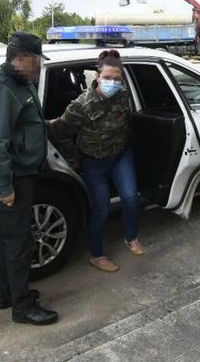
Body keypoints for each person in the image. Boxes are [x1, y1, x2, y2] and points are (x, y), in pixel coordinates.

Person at [0, 32, 59, 325]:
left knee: (5, 238)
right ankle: (22, 307)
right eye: (37, 60)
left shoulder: (17, 84)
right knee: (19, 241)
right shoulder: (4, 88)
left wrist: (49, 125)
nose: (39, 66)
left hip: (16, 175)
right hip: (11, 178)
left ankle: (8, 293)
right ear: (21, 58)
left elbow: (22, 126)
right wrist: (5, 186)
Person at [50, 49, 144, 273]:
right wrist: (73, 160)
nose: (112, 82)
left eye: (117, 79)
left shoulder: (123, 95)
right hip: (94, 162)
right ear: (97, 77)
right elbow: (61, 132)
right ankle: (96, 254)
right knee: (101, 209)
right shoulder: (81, 104)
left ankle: (131, 238)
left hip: (120, 155)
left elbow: (127, 121)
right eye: (108, 78)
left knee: (131, 199)